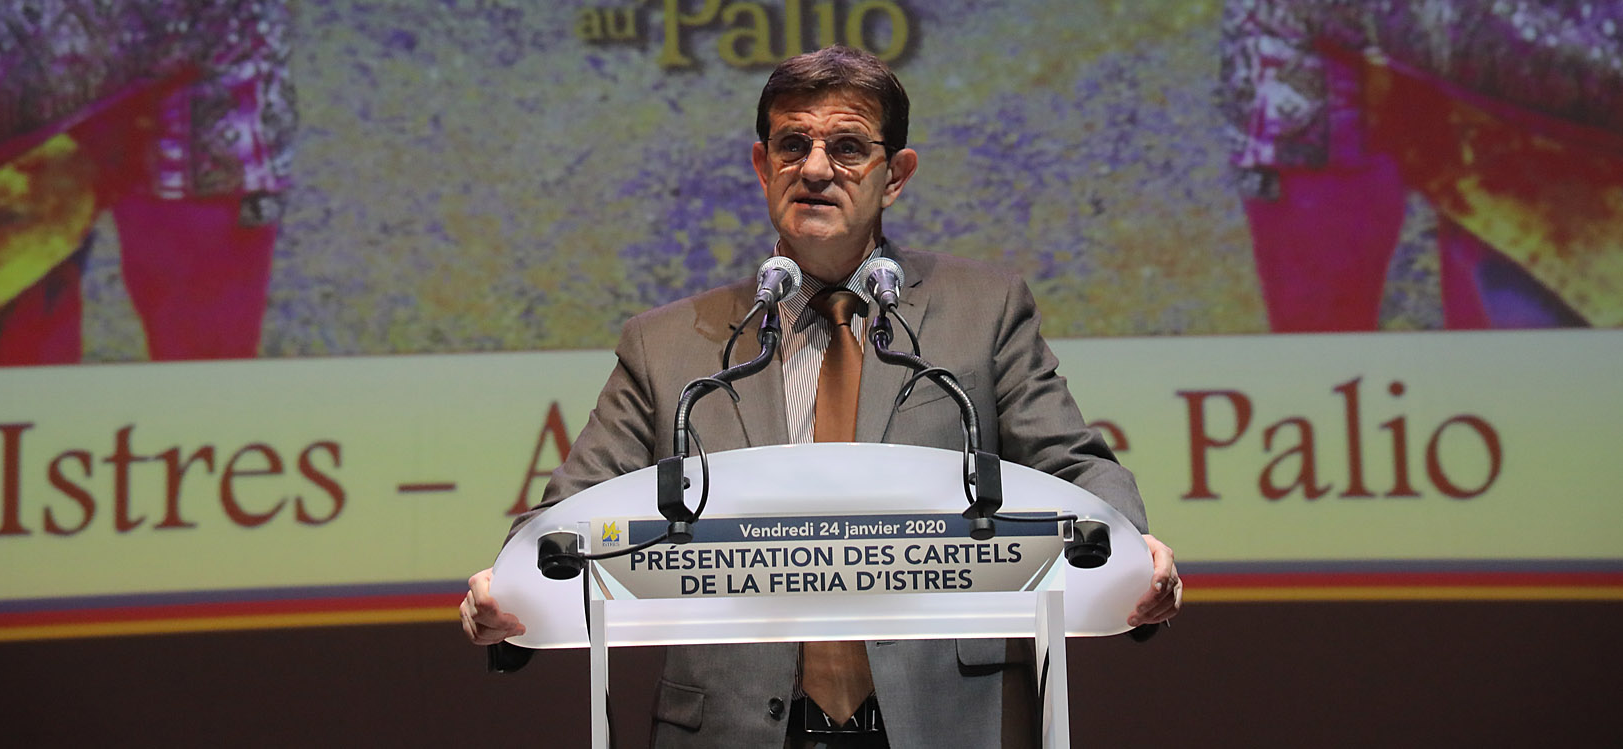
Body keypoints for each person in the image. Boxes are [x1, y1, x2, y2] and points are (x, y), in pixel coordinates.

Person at [462, 46, 1180, 747]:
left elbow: (1071, 463)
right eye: (792, 144)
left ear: (895, 175)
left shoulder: (982, 311)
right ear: (761, 164)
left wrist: (1132, 550)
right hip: (735, 727)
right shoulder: (668, 344)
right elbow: (569, 512)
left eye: (847, 147)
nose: (813, 168)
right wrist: (511, 590)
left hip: (948, 719)